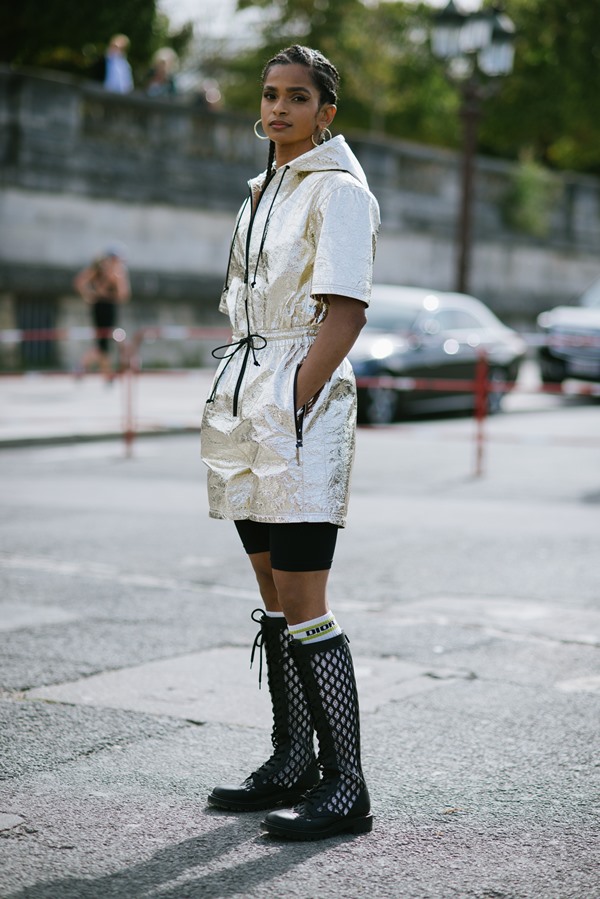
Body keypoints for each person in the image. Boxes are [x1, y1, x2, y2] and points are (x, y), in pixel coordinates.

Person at [200, 45, 380, 841]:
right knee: (273, 595)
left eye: (297, 98)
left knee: (307, 601)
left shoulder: (337, 191)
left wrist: (293, 401)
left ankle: (347, 784)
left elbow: (345, 313)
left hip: (296, 405)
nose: (278, 109)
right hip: (243, 397)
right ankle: (289, 758)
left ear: (325, 112)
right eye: (270, 95)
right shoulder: (259, 193)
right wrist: (250, 400)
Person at [73, 248, 130, 381]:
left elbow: (80, 282)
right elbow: (123, 295)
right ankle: (84, 365)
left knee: (105, 342)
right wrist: (93, 294)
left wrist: (91, 294)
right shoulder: (107, 271)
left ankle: (107, 374)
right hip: (105, 308)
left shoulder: (101, 270)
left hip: (102, 307)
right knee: (104, 342)